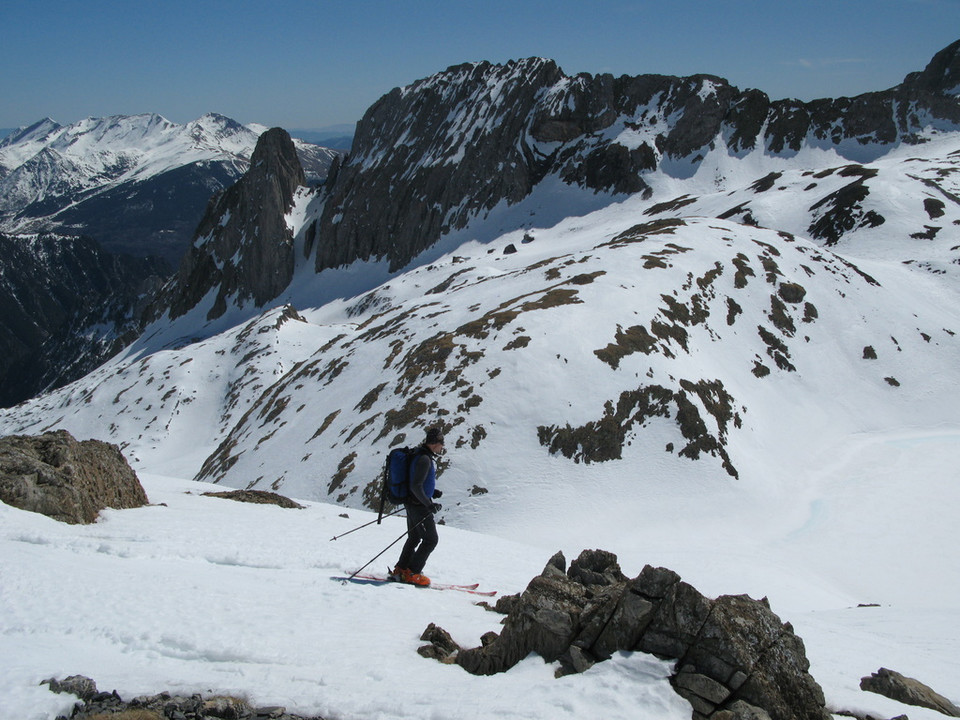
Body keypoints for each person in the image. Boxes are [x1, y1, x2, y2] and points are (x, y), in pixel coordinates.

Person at [390, 427, 444, 586]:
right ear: (435, 444)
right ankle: (412, 573)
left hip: (412, 503)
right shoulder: (424, 459)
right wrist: (429, 504)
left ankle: (401, 569)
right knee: (431, 540)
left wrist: (432, 491)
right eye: (441, 444)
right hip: (419, 506)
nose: (442, 447)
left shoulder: (419, 454)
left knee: (414, 537)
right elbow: (416, 486)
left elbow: (416, 482)